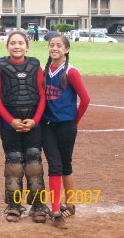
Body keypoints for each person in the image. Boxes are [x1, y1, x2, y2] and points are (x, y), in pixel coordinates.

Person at [0, 31, 47, 223]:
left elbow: (42, 95)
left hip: (33, 121)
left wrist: (35, 120)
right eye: (13, 43)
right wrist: (9, 120)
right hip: (10, 123)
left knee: (34, 160)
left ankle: (38, 204)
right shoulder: (0, 67)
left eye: (20, 43)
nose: (17, 46)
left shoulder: (35, 66)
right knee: (14, 161)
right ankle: (14, 204)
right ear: (7, 46)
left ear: (27, 46)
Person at [41, 35, 90, 229]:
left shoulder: (70, 71)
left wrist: (73, 121)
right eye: (51, 45)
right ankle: (55, 209)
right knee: (54, 165)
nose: (54, 48)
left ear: (66, 50)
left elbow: (85, 99)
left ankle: (70, 204)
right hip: (47, 125)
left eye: (59, 46)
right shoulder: (45, 70)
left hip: (65, 125)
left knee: (65, 165)